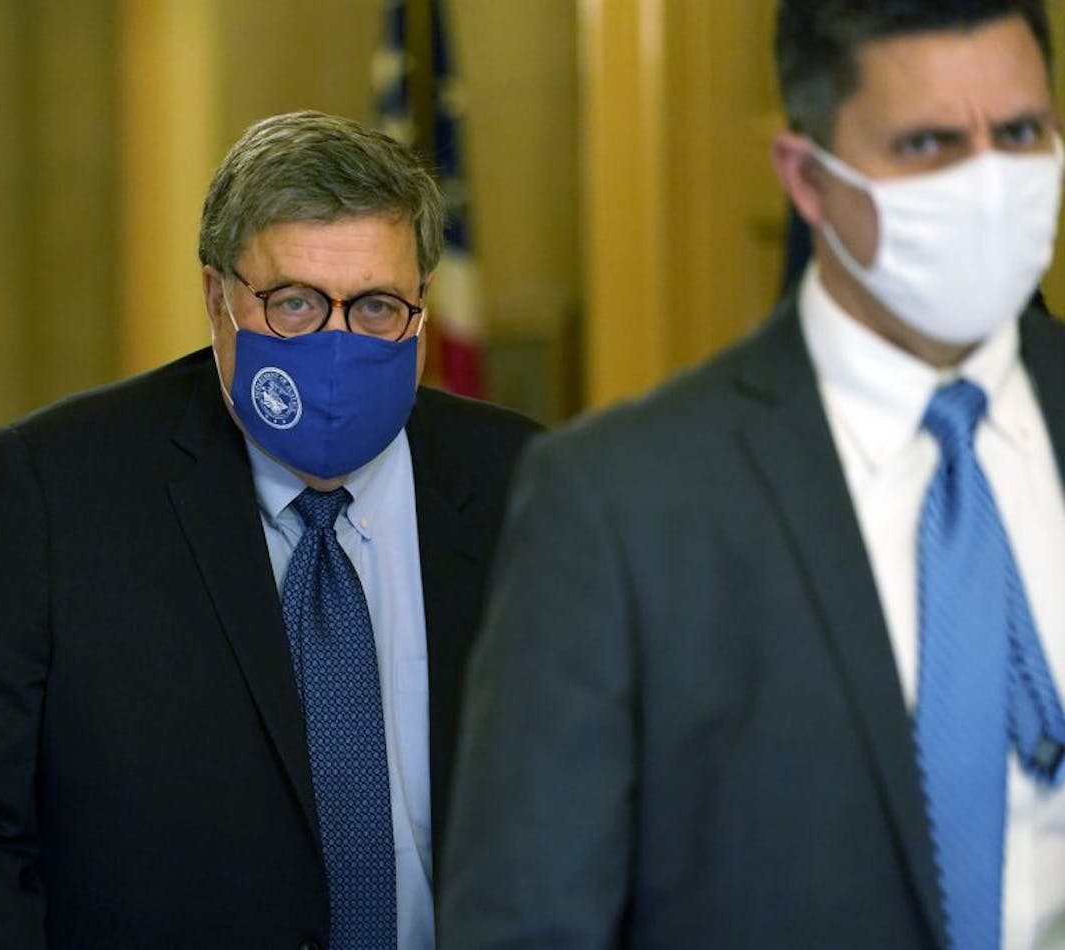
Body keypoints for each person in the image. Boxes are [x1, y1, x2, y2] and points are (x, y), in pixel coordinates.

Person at [439, 2, 1065, 948]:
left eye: (1019, 133)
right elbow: (528, 925)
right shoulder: (620, 506)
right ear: (808, 180)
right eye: (928, 144)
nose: (986, 183)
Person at [0, 110, 538, 949]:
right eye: (293, 303)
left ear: (421, 308)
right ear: (216, 296)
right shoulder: (57, 490)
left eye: (374, 306)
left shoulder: (525, 486)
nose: (336, 345)